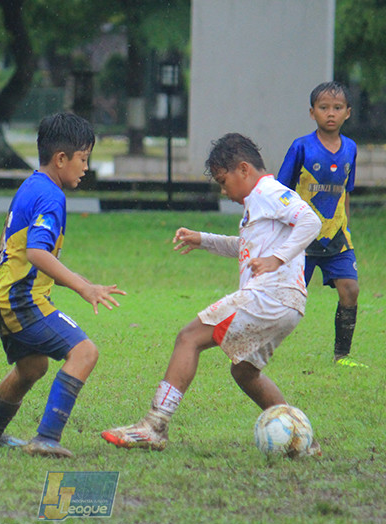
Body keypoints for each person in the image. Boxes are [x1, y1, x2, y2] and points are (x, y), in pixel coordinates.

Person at [102, 133, 322, 453]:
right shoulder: (258, 203)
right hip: (289, 304)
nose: (223, 190)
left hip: (270, 295)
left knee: (189, 338)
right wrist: (202, 239)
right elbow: (244, 247)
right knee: (245, 372)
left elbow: (310, 221)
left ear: (243, 169)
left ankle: (154, 426)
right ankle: (303, 439)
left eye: (223, 180)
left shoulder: (270, 192)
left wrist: (277, 259)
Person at [0, 112, 125, 458]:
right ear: (61, 159)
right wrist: (84, 288)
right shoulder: (52, 197)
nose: (86, 167)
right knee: (85, 352)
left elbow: (12, 241)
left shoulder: (31, 184)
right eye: (83, 159)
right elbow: (37, 252)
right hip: (20, 298)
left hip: (2, 293)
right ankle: (46, 438)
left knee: (32, 367)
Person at [277, 81, 364, 367]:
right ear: (312, 112)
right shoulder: (301, 147)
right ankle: (260, 346)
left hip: (336, 235)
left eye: (337, 108)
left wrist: (346, 226)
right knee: (286, 299)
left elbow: (345, 192)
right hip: (302, 238)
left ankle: (342, 356)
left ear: (348, 113)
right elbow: (281, 192)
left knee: (350, 289)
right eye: (324, 107)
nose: (331, 113)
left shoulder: (350, 148)